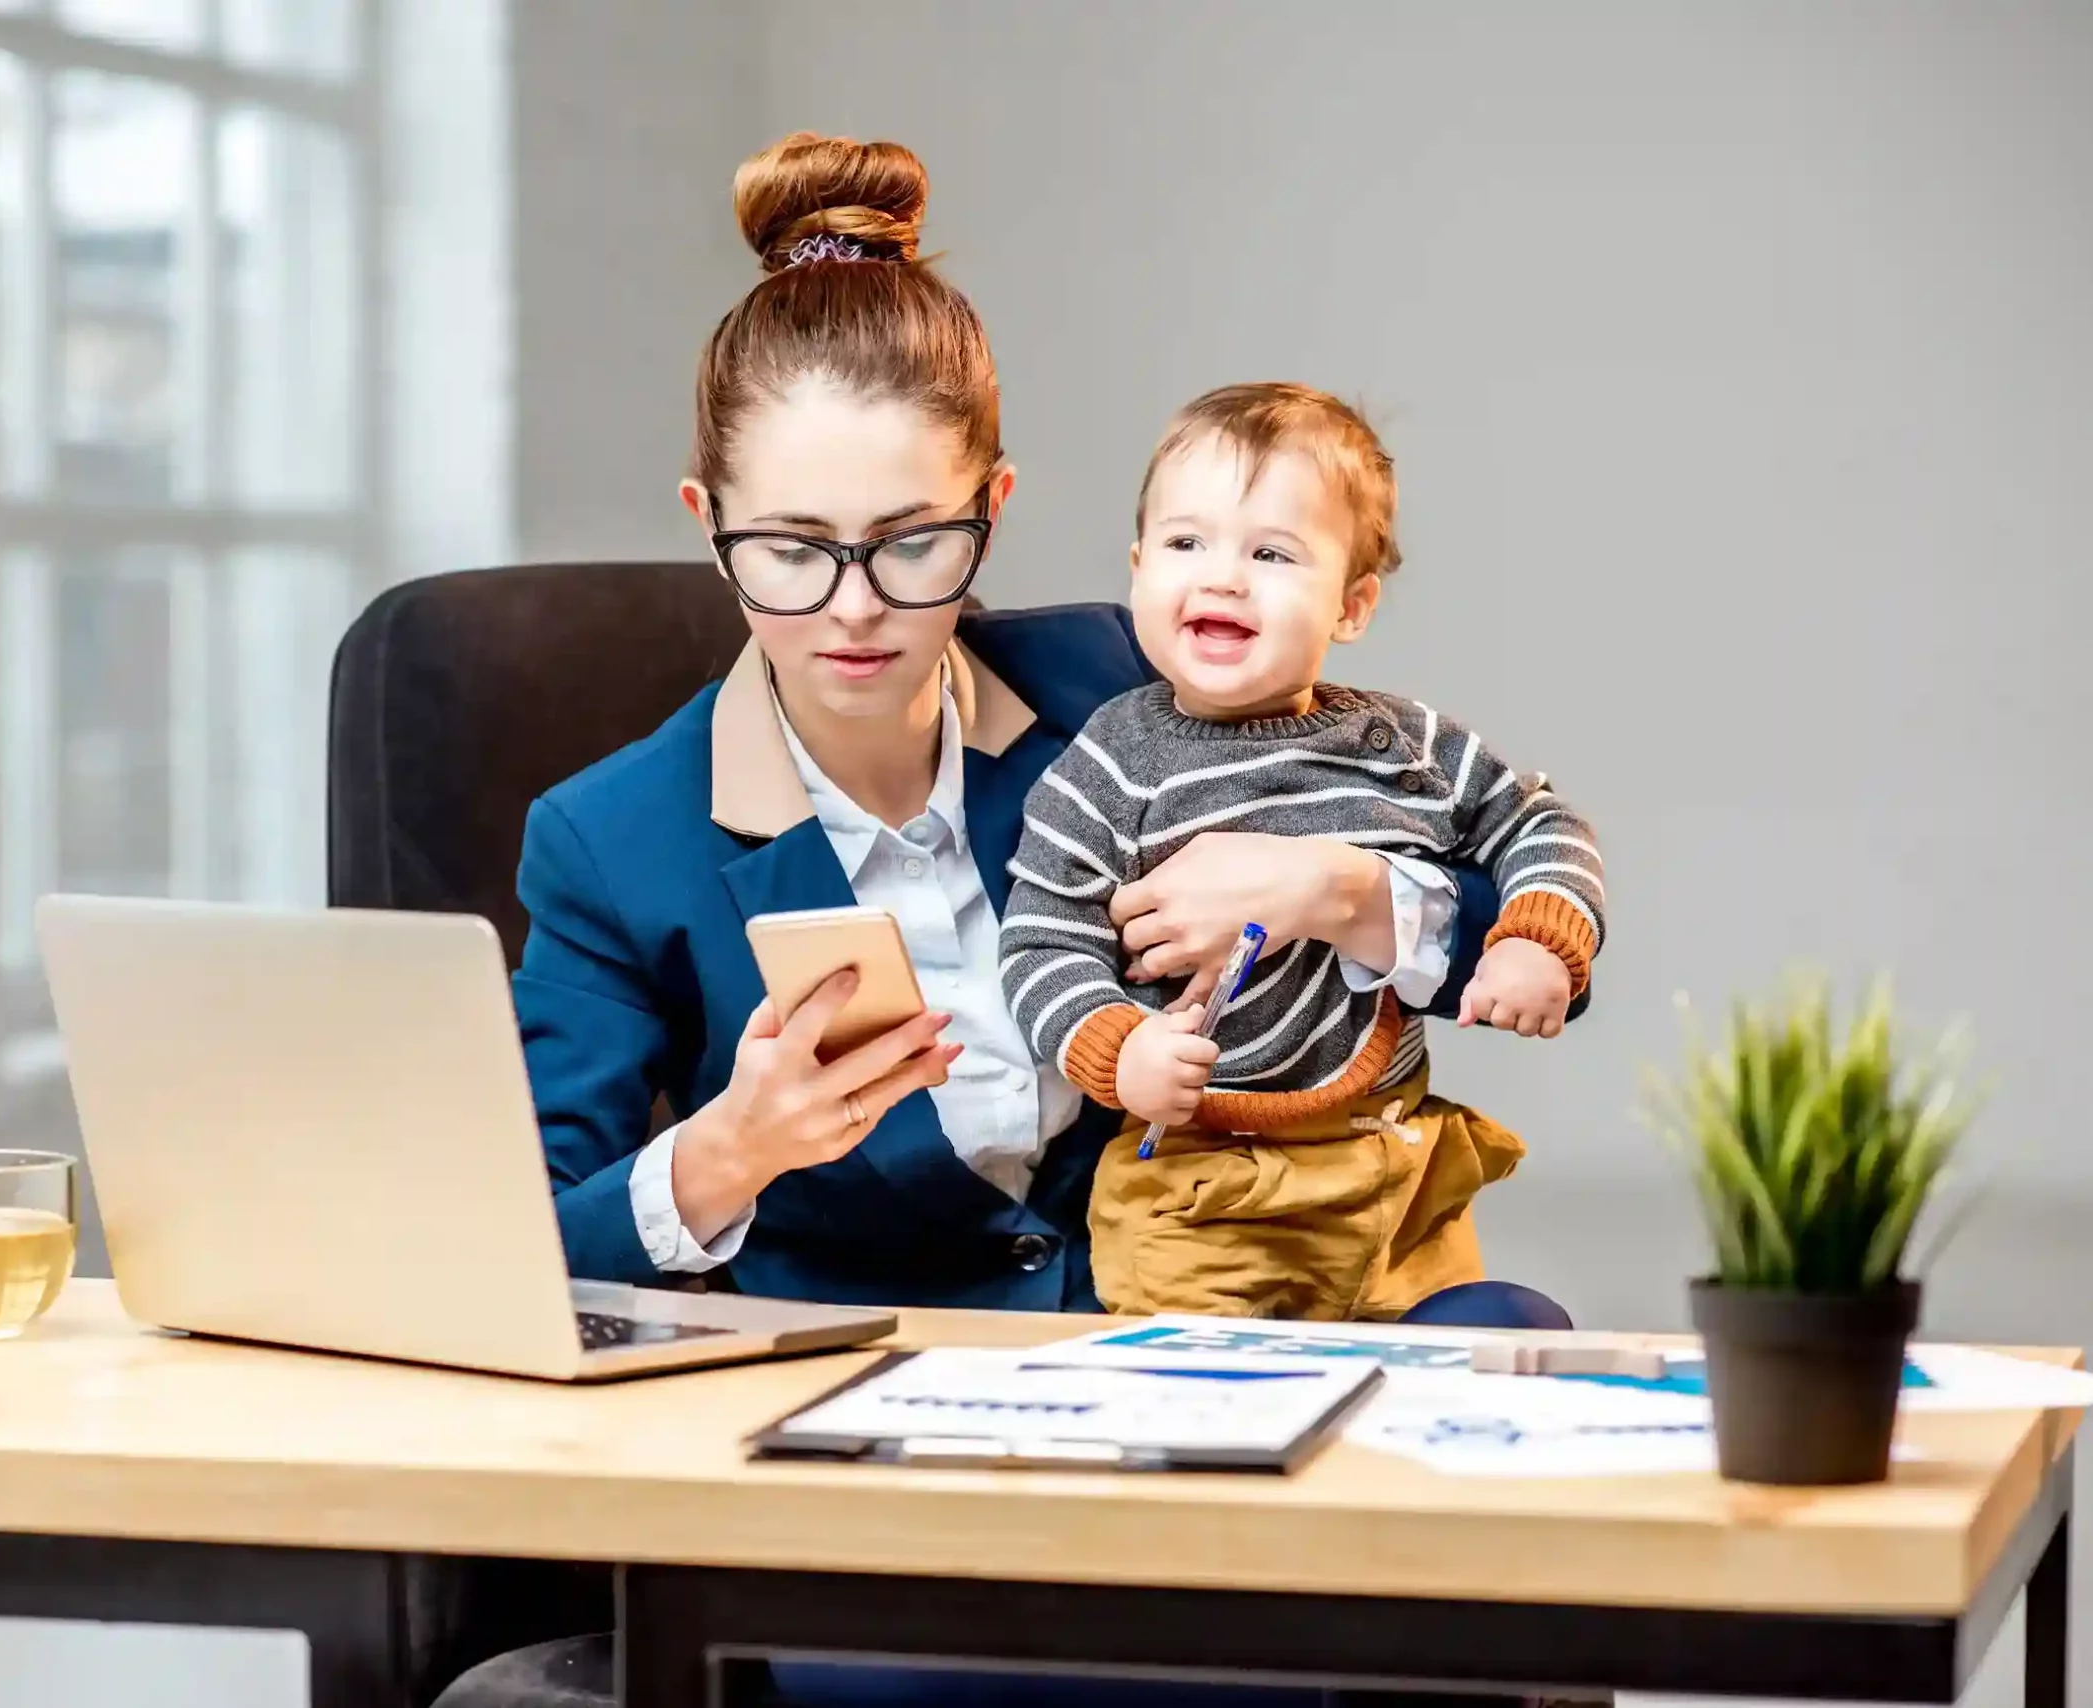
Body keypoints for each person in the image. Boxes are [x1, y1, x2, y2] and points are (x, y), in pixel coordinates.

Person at [455, 133, 1577, 1708]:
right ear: (707, 518)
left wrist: (1333, 887)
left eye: (914, 543)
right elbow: (509, 1254)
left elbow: (1504, 895)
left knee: (1518, 1357)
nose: (856, 605)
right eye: (790, 551)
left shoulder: (1131, 684)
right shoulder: (613, 836)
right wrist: (724, 1156)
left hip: (1196, 1344)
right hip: (881, 1434)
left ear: (994, 505)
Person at [1001, 382, 1606, 1321]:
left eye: (1272, 554)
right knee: (1216, 1387)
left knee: (1477, 1353)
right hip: (1201, 1194)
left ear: (1351, 606)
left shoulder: (1398, 744)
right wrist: (1119, 1050)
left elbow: (1539, 823)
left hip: (1391, 1169)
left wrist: (1537, 936)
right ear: (1138, 569)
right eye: (1185, 543)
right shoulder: (1110, 764)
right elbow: (1043, 940)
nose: (1223, 578)